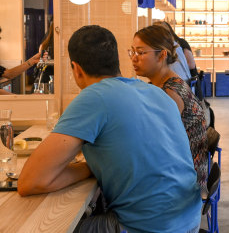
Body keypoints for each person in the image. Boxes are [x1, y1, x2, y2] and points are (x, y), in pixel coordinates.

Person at [18, 25, 202, 233]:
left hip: (148, 226)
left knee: (53, 226)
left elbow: (30, 182)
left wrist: (89, 169)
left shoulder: (94, 96)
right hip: (189, 218)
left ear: (76, 68)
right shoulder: (155, 92)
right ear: (116, 61)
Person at [132, 25, 208, 196]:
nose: (134, 58)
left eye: (141, 52)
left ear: (162, 55)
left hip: (183, 185)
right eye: (132, 52)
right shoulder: (165, 84)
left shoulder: (170, 93)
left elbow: (156, 146)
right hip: (178, 173)